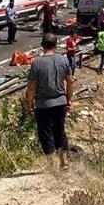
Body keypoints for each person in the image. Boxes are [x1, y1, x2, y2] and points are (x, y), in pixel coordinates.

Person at [26, 32, 74, 169]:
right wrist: (68, 99)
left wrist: (29, 105)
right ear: (56, 45)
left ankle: (51, 164)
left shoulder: (37, 63)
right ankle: (64, 162)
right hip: (60, 102)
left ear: (42, 46)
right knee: (60, 131)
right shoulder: (63, 60)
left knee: (45, 133)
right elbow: (69, 82)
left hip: (43, 105)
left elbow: (31, 88)